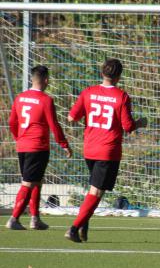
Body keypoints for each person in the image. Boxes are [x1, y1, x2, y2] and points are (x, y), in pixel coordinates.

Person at [65, 58, 147, 242]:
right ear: (119, 76)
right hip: (107, 151)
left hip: (89, 149)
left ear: (102, 73)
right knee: (96, 192)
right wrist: (140, 123)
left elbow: (71, 118)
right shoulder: (121, 96)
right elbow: (128, 126)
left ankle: (83, 229)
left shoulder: (88, 92)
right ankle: (73, 228)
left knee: (93, 189)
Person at [6, 65, 72, 230]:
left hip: (22, 146)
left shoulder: (20, 98)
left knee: (37, 181)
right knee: (29, 183)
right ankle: (14, 219)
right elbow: (54, 125)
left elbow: (12, 122)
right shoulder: (45, 100)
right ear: (46, 80)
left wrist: (19, 138)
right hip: (38, 147)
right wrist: (64, 144)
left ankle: (35, 218)